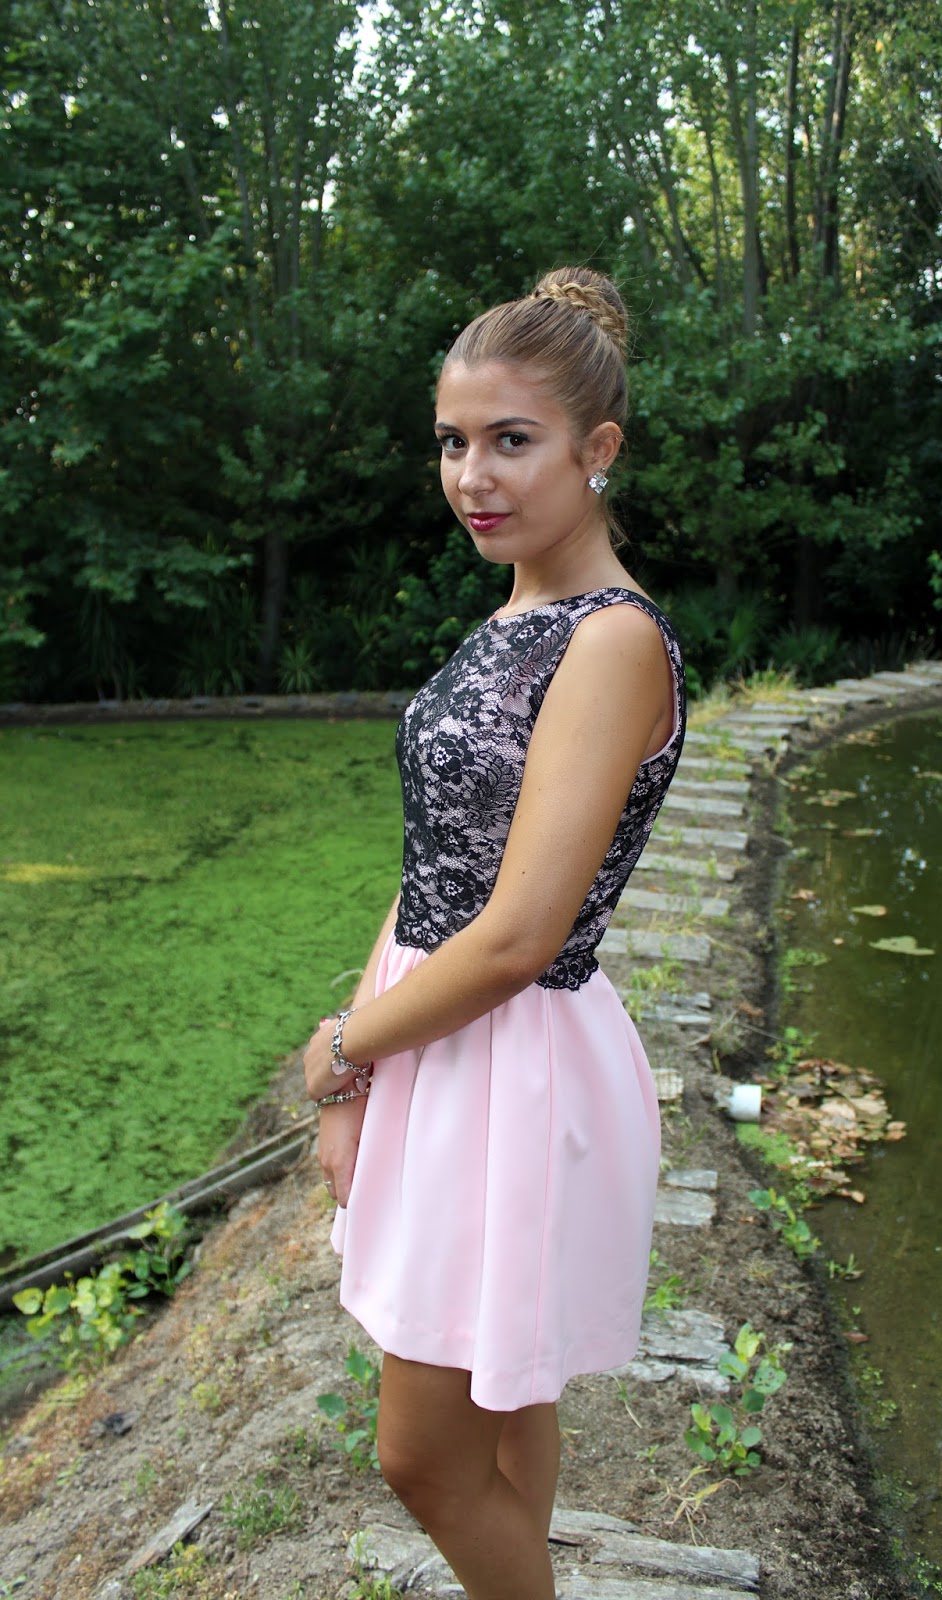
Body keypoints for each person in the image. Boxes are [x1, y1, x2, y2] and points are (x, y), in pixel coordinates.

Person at [303, 266, 686, 1600]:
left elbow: (520, 932)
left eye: (510, 440)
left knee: (422, 1458)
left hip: (514, 1059)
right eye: (452, 442)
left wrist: (344, 1043)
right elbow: (432, 870)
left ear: (596, 449)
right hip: (440, 1038)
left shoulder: (612, 640)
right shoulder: (514, 614)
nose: (473, 475)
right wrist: (358, 1070)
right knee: (505, 1403)